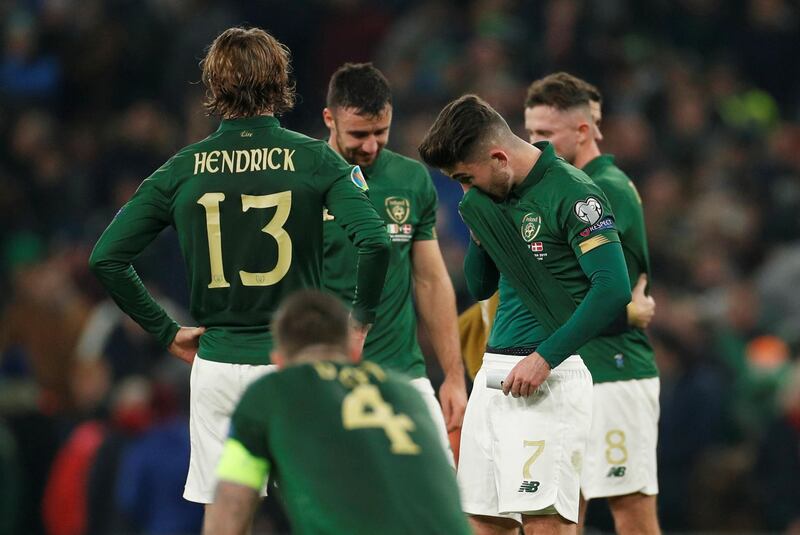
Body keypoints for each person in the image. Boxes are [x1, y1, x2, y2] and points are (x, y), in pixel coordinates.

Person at [88, 27, 390, 517]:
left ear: (213, 88)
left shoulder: (183, 168)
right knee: (318, 510)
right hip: (296, 362)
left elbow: (106, 257)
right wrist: (358, 323)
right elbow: (375, 241)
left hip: (218, 364)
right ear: (280, 82)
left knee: (228, 515)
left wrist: (166, 332)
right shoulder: (316, 160)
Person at [419, 94, 632, 535]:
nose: (465, 190)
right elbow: (480, 287)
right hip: (494, 377)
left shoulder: (574, 194)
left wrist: (545, 357)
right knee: (481, 524)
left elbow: (613, 289)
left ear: (498, 157)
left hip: (548, 377)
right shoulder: (492, 197)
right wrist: (480, 231)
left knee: (543, 526)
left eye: (465, 177)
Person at [204, 290, 471, 535]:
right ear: (354, 352)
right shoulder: (407, 393)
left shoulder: (270, 391)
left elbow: (231, 504)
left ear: (279, 361)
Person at [524, 72, 661, 535]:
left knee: (631, 514)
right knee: (561, 515)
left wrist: (624, 311)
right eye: (530, 132)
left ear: (582, 131)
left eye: (545, 134)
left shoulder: (608, 189)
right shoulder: (559, 188)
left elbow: (607, 291)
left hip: (614, 373)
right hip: (572, 371)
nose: (533, 143)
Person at [321, 62, 467, 461]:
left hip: (403, 375)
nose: (370, 146)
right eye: (358, 134)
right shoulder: (303, 180)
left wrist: (454, 376)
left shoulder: (411, 180)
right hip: (325, 381)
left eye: (380, 132)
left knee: (433, 507)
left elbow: (431, 282)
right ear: (329, 119)